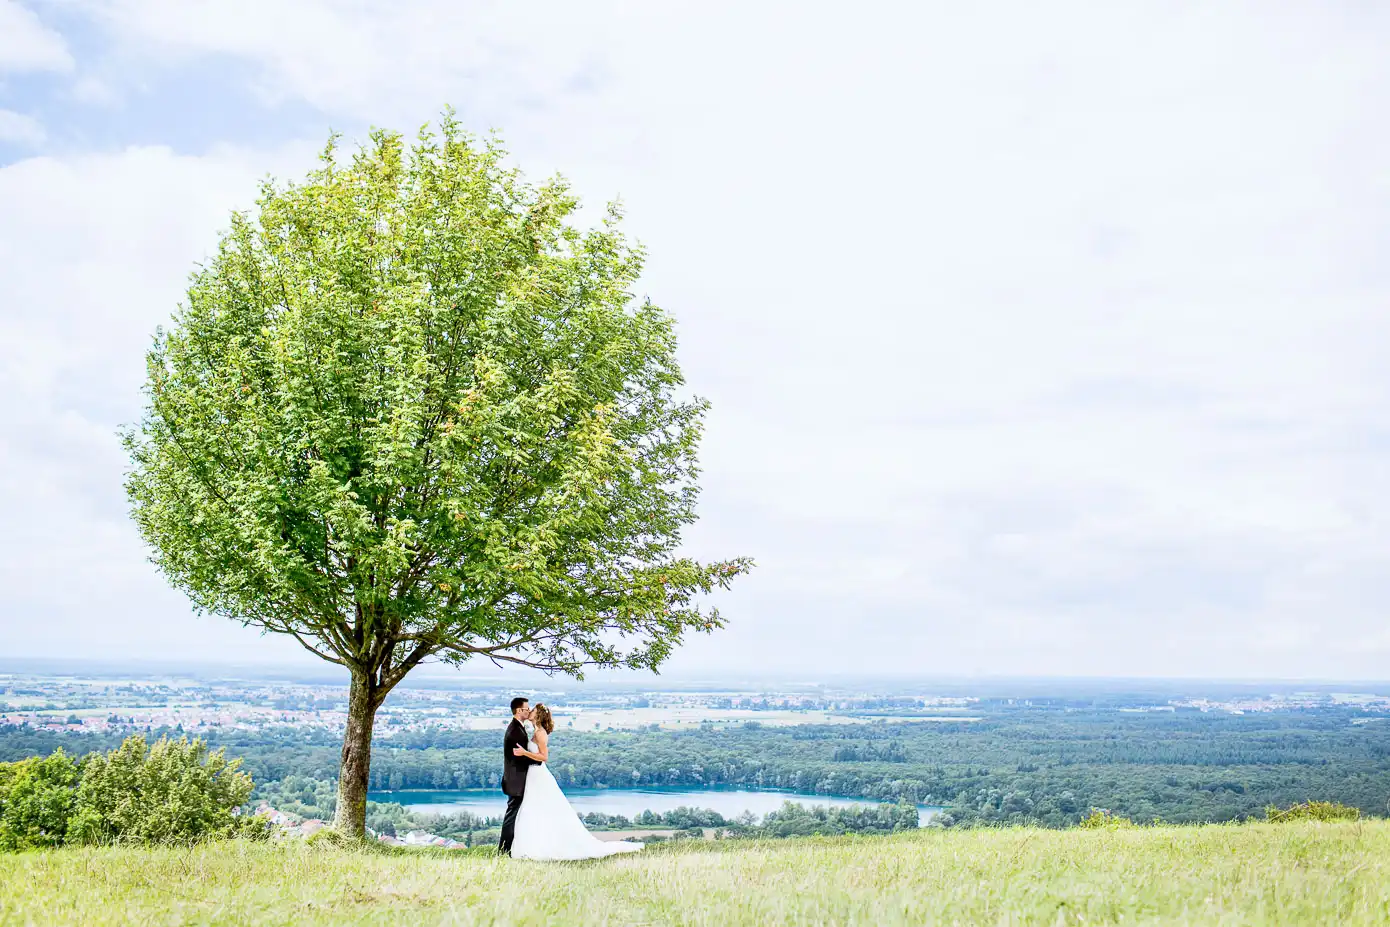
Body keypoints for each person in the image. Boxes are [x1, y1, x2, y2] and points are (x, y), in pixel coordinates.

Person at [508, 702, 645, 861]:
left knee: (536, 808)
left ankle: (539, 847)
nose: (529, 711)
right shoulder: (536, 731)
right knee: (533, 808)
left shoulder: (540, 733)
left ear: (538, 715)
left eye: (533, 710)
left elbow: (544, 757)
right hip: (532, 775)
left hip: (538, 775)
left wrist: (524, 752)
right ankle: (532, 846)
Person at [497, 696, 538, 856]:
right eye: (527, 709)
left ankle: (510, 849)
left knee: (515, 815)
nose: (529, 711)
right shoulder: (515, 731)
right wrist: (538, 760)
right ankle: (503, 851)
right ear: (519, 710)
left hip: (515, 780)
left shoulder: (518, 727)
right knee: (512, 817)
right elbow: (518, 757)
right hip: (516, 781)